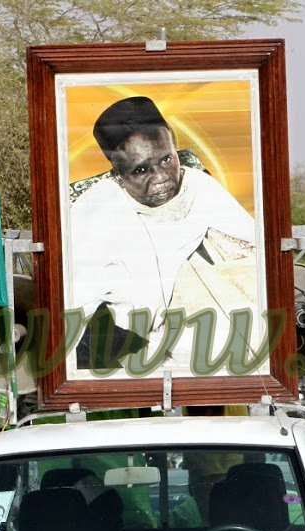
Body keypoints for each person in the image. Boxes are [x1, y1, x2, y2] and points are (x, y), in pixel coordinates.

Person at [69, 96, 260, 372]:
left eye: (166, 159)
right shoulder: (96, 212)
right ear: (118, 174)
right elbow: (78, 315)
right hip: (130, 356)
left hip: (222, 349)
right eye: (142, 170)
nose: (161, 177)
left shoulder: (200, 188)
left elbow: (256, 260)